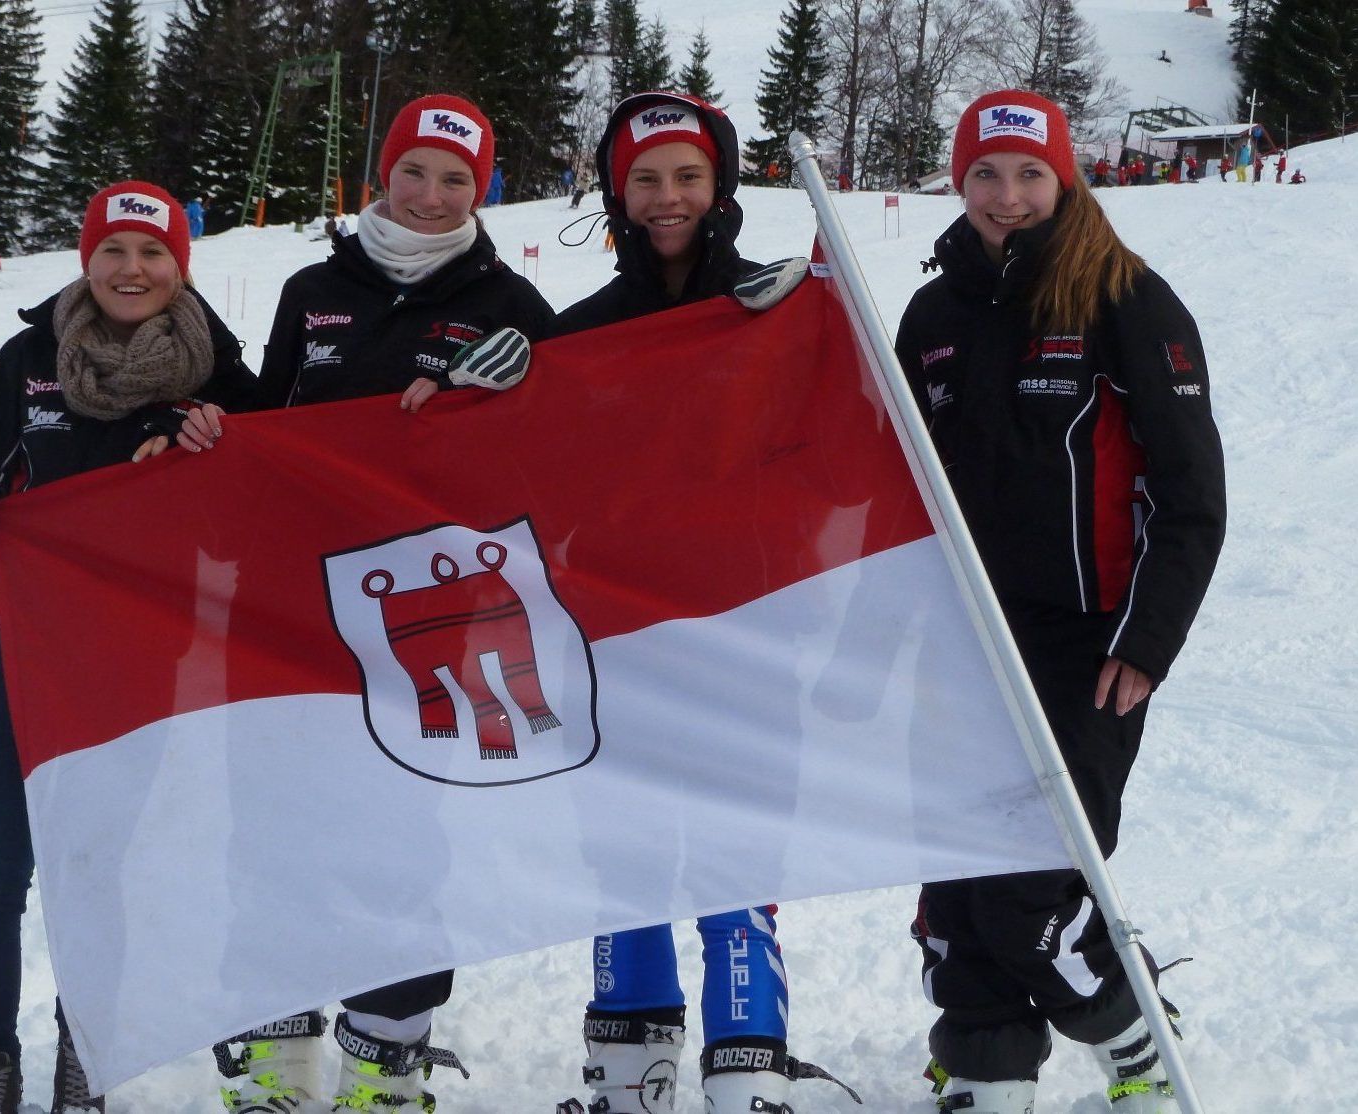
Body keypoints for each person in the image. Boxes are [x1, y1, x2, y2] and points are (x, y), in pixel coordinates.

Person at [180, 94, 554, 1114]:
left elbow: (568, 449)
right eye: (415, 173)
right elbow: (271, 427)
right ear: (381, 175)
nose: (431, 197)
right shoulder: (313, 288)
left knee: (399, 825)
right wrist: (220, 425)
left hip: (423, 617)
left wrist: (524, 392)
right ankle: (275, 1045)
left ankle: (387, 1056)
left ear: (483, 192)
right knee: (275, 818)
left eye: (457, 181)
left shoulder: (510, 303)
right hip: (290, 598)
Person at [893, 89, 1225, 1114]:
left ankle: (1136, 1040)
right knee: (958, 883)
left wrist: (1148, 640)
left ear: (1063, 176)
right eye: (985, 175)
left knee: (1030, 884)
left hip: (1090, 646)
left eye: (1029, 173)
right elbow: (886, 477)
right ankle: (988, 1077)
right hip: (962, 645)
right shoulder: (933, 314)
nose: (1007, 196)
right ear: (960, 180)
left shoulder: (1125, 296)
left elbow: (1192, 495)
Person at [549, 93, 858, 1114]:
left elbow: (847, 449)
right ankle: (627, 1072)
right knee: (624, 847)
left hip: (747, 628)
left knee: (736, 842)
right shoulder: (584, 332)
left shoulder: (772, 310)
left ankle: (749, 1067)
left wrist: (826, 313)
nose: (668, 197)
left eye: (686, 176)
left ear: (719, 184)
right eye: (646, 179)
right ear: (616, 192)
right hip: (619, 636)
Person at [0, 179, 256, 1114]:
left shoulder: (219, 370)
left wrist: (209, 438)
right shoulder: (30, 356)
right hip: (14, 642)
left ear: (180, 266)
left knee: (100, 862)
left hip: (135, 652)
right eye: (113, 249)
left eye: (152, 252)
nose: (131, 268)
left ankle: (88, 1051)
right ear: (86, 258)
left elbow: (259, 500)